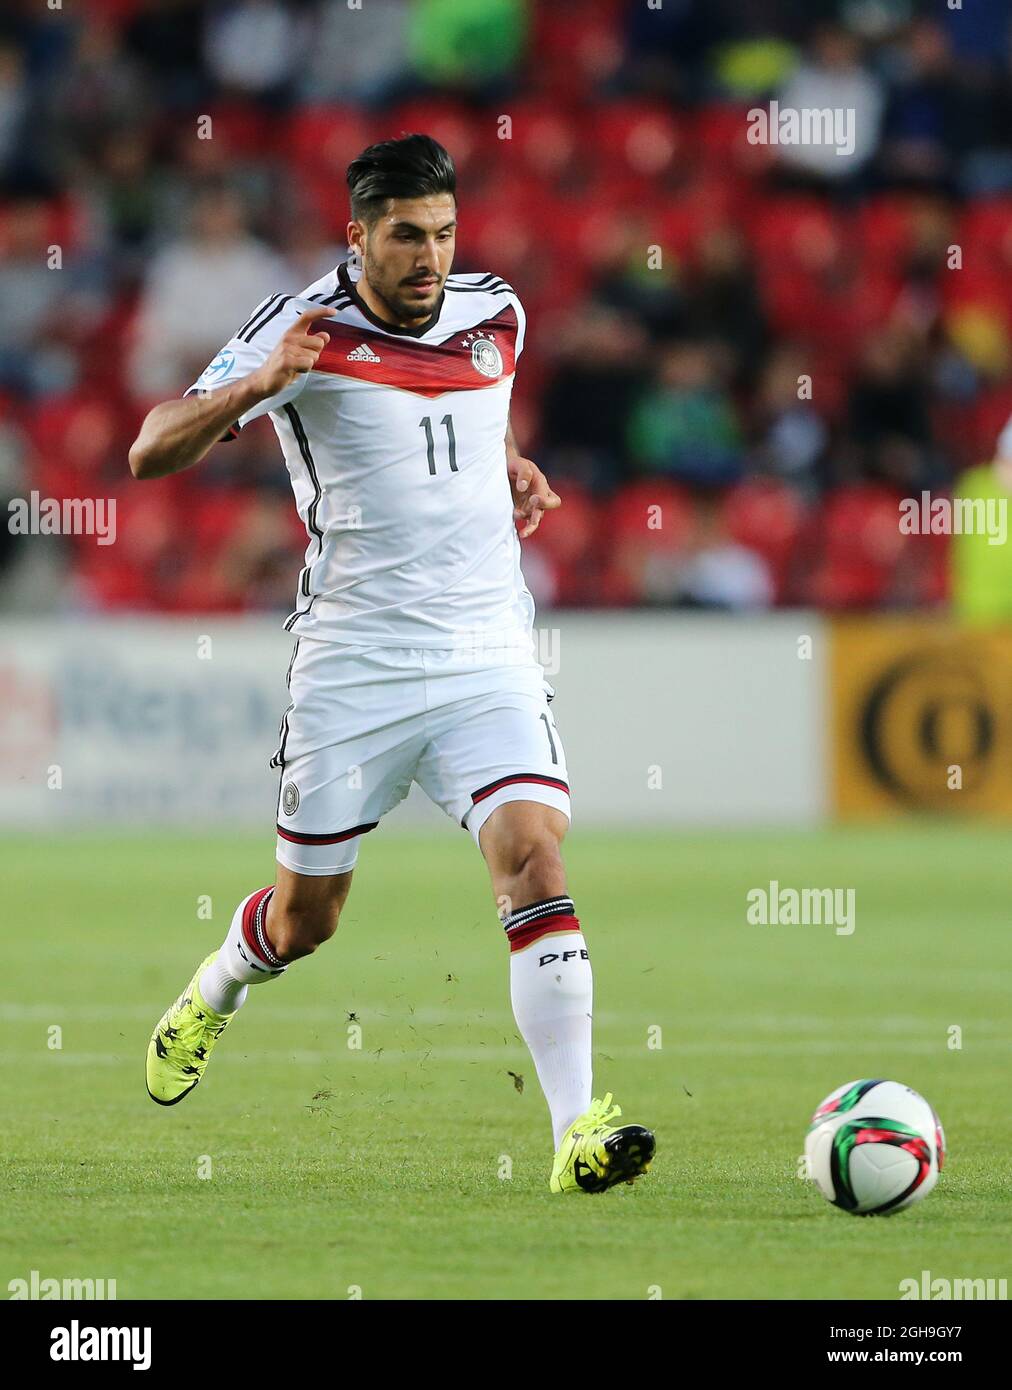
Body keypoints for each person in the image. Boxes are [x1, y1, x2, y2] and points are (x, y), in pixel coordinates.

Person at [128, 134, 655, 1195]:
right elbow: (150, 448)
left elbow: (461, 425)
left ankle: (575, 1131)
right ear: (358, 234)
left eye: (444, 234)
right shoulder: (299, 329)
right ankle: (214, 987)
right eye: (407, 236)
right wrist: (260, 385)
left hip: (482, 652)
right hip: (353, 666)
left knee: (534, 858)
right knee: (305, 919)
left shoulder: (495, 310)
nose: (429, 257)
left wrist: (507, 468)